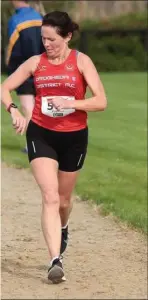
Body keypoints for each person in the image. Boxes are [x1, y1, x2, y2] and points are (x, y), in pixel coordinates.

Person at [1, 11, 107, 284]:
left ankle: (63, 226)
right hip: (41, 134)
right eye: (43, 39)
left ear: (67, 36)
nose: (46, 44)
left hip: (74, 137)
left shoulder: (81, 61)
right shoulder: (35, 63)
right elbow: (5, 87)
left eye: (52, 39)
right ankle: (54, 260)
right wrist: (14, 110)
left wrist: (72, 104)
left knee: (62, 201)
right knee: (49, 196)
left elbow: (100, 101)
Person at [6, 0, 44, 152]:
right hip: (42, 68)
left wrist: (11, 70)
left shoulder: (15, 20)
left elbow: (12, 49)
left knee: (28, 108)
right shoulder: (40, 17)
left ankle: (33, 145)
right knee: (40, 108)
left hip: (24, 69)